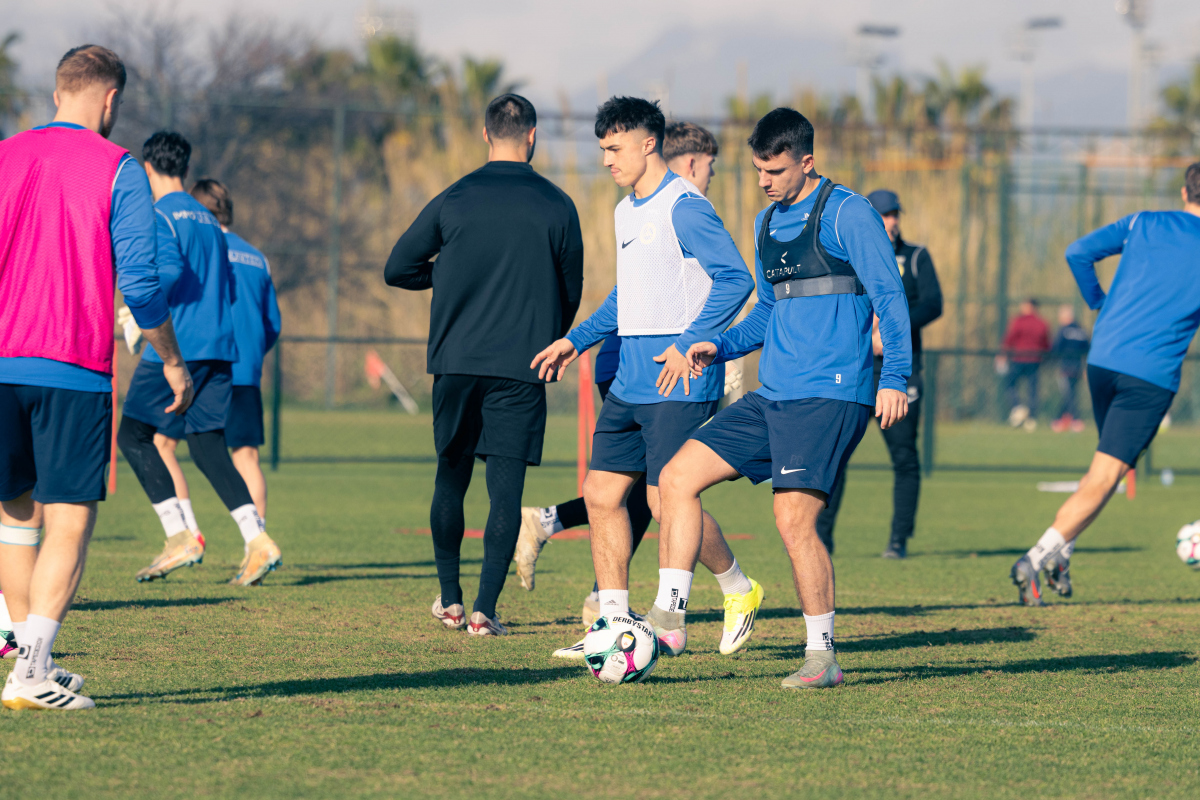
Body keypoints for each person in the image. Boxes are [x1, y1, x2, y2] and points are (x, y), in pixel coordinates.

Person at [649, 107, 912, 689]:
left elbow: (890, 298)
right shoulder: (765, 223)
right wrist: (719, 345)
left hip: (831, 395)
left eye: (776, 170)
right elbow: (767, 312)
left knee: (793, 520)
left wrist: (895, 376)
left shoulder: (848, 213)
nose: (765, 180)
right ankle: (668, 619)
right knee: (675, 478)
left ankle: (822, 657)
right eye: (758, 170)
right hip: (775, 394)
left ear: (807, 161)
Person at [0, 45, 193, 710]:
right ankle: (31, 673)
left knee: (14, 516)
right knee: (69, 521)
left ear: (58, 92)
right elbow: (140, 282)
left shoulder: (5, 154)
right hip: (72, 369)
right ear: (111, 100)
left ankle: (30, 661)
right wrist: (171, 358)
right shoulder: (119, 168)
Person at [533, 97, 760, 659]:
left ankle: (733, 590)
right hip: (630, 377)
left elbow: (736, 280)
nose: (606, 160)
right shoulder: (625, 210)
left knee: (664, 500)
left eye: (614, 149)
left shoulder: (685, 207)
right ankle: (612, 624)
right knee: (601, 493)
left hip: (676, 380)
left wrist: (690, 342)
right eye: (602, 149)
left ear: (648, 143)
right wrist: (575, 341)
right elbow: (626, 297)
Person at [384, 94, 584, 636]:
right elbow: (570, 292)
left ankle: (449, 600)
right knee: (506, 490)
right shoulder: (558, 204)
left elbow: (397, 268)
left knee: (451, 477)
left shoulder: (456, 197)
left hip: (457, 361)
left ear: (485, 134)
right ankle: (483, 612)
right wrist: (547, 334)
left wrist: (447, 276)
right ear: (533, 136)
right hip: (523, 365)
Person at [1010, 163, 1200, 606]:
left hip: (1102, 360)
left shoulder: (1143, 221)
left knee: (1104, 468)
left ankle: (1062, 555)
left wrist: (1100, 302)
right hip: (1149, 376)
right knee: (1107, 475)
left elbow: (1077, 252)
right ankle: (1035, 559)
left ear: (1183, 192)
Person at [119, 131, 282, 587]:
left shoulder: (160, 214)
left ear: (147, 168)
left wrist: (139, 313)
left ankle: (180, 535)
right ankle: (257, 539)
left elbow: (168, 272)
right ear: (186, 168)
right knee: (209, 447)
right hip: (221, 350)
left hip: (181, 349)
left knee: (133, 435)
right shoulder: (210, 221)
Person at [145, 179, 281, 539]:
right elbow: (272, 325)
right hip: (245, 370)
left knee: (162, 445)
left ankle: (187, 534)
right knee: (246, 457)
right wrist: (251, 354)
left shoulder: (201, 248)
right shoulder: (258, 258)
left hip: (200, 363)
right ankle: (258, 543)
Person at [814, 189, 942, 559]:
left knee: (904, 457)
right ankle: (821, 539)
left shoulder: (915, 257)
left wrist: (892, 328)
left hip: (898, 371)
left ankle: (898, 540)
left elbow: (932, 304)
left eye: (895, 214)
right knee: (835, 456)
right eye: (885, 214)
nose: (892, 221)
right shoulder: (846, 256)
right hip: (855, 370)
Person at [1000, 298, 1050, 429]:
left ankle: (1017, 407)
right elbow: (1046, 344)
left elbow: (1010, 338)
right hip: (1035, 360)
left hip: (1019, 359)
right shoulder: (1042, 323)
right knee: (1033, 389)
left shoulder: (1018, 321)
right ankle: (1031, 418)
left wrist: (1003, 353)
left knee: (1010, 384)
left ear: (1029, 306)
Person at [1050, 304, 1089, 433]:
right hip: (1078, 368)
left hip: (1065, 368)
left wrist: (1052, 363)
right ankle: (1059, 420)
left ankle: (1076, 420)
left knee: (1068, 395)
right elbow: (1087, 350)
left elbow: (1056, 349)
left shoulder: (1063, 331)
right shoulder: (1081, 331)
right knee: (1070, 394)